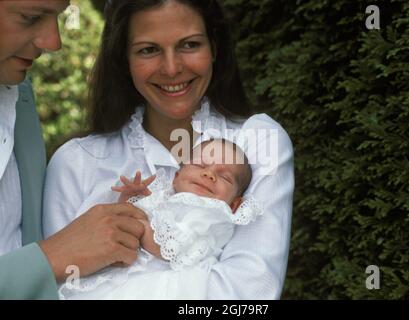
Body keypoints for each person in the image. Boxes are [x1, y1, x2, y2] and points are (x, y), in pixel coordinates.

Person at [43, 0, 294, 299]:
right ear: (123, 59)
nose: (172, 68)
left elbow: (248, 294)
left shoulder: (258, 142)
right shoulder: (76, 163)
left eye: (189, 44)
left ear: (214, 47)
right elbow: (62, 291)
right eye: (148, 49)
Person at [0, 0, 149, 299]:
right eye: (30, 17)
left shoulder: (18, 92)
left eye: (59, 16)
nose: (53, 42)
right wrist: (51, 256)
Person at [57, 139, 264, 299]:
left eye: (224, 177)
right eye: (200, 165)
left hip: (165, 282)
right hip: (131, 272)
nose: (209, 174)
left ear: (235, 204)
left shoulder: (213, 213)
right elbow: (125, 221)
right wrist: (131, 201)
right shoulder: (164, 197)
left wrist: (140, 228)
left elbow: (174, 245)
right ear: (176, 177)